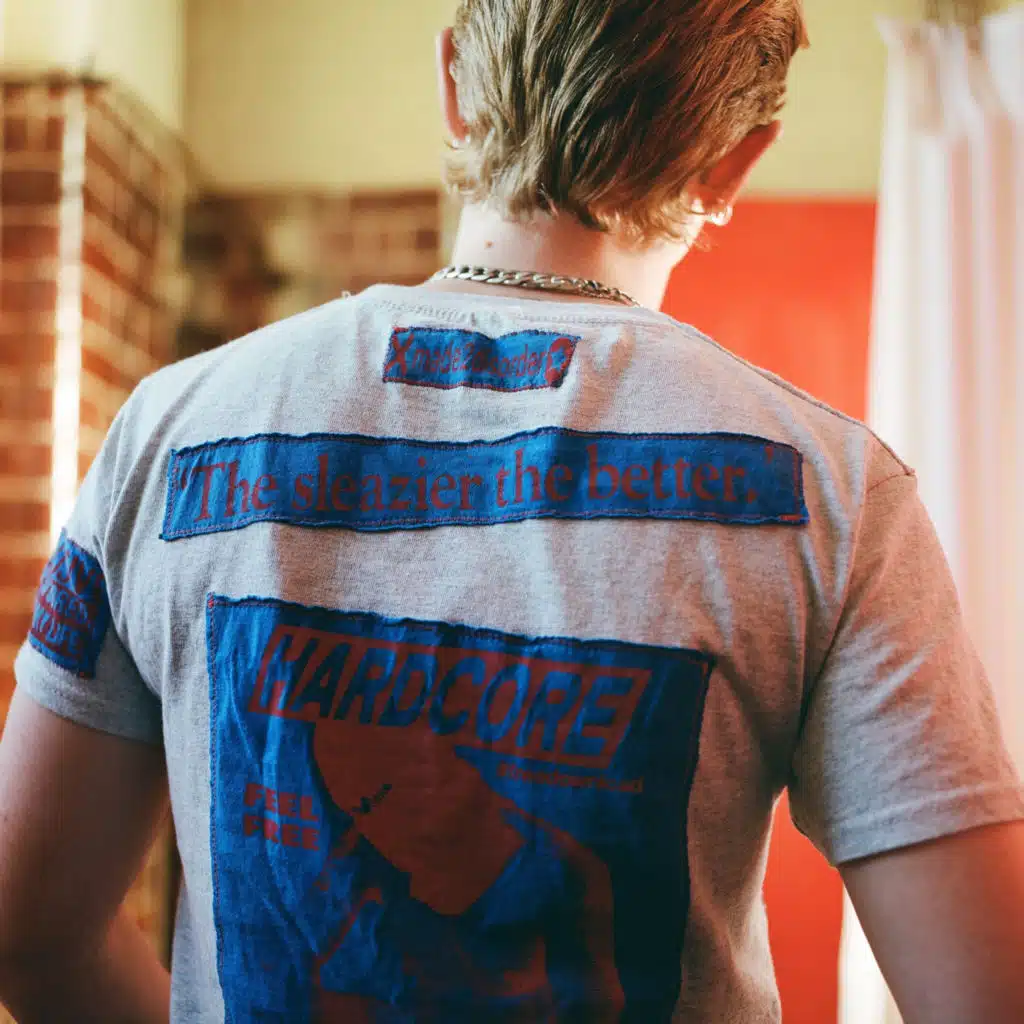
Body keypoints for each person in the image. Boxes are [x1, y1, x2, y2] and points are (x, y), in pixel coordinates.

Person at [1, 0, 1023, 1020]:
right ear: (732, 165)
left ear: (454, 85)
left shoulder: (169, 433)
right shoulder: (830, 493)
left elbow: (29, 935)